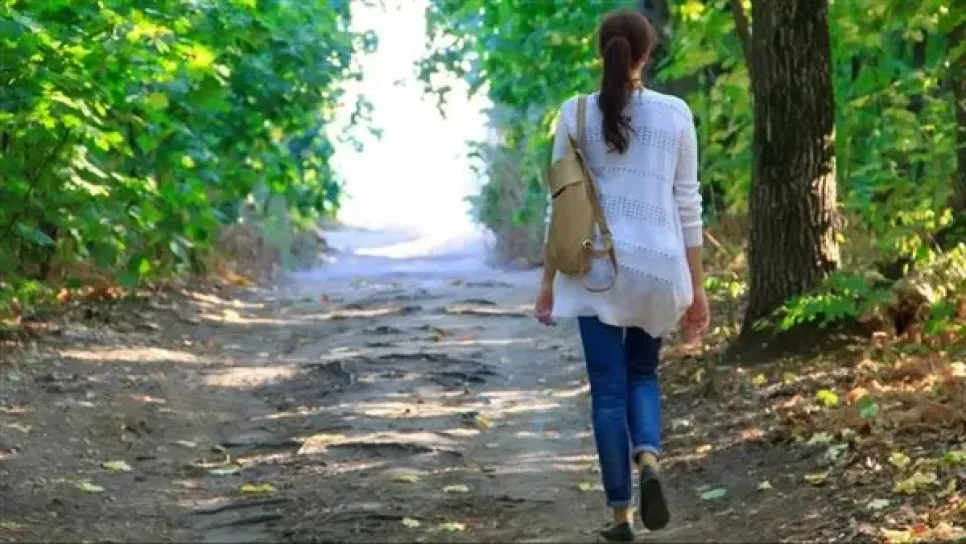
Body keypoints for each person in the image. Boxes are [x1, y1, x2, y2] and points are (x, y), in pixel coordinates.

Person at [533, 8, 710, 542]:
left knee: (608, 393)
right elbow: (688, 204)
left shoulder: (574, 114)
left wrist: (547, 283)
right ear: (647, 54)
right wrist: (697, 288)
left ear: (601, 52)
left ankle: (620, 515)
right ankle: (649, 456)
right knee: (643, 375)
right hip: (658, 267)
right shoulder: (676, 114)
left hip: (596, 270)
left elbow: (561, 207)